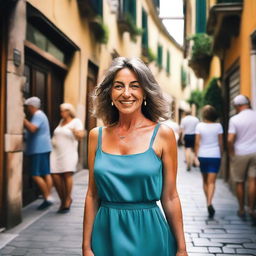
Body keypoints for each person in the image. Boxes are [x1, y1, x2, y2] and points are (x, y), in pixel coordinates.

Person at [82, 57, 187, 256]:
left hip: (150, 233)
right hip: (106, 233)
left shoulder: (163, 135)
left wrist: (181, 248)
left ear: (145, 92)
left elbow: (171, 196)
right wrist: (86, 246)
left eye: (135, 86)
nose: (126, 93)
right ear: (110, 94)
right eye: (119, 86)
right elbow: (92, 195)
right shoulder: (97, 135)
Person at [50, 103, 85, 213]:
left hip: (69, 152)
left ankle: (67, 199)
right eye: (61, 110)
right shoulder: (61, 122)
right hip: (56, 153)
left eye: (64, 110)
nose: (62, 113)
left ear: (69, 111)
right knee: (55, 175)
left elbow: (80, 136)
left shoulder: (76, 122)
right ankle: (63, 199)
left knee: (67, 175)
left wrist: (74, 131)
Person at [228, 94, 256, 221]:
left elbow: (230, 140)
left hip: (240, 153)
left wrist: (231, 153)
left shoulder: (235, 119)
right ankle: (251, 208)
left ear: (238, 106)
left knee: (239, 181)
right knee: (253, 181)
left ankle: (241, 209)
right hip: (255, 152)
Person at [24, 96, 53, 210]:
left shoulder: (38, 115)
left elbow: (32, 128)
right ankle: (48, 196)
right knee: (45, 173)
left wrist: (22, 119)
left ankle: (47, 198)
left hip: (38, 148)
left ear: (32, 107)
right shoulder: (41, 115)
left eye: (28, 107)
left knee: (36, 175)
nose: (27, 110)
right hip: (43, 148)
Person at [194, 105, 223, 218]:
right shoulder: (218, 126)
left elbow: (197, 143)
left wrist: (196, 156)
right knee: (212, 182)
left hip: (203, 155)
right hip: (215, 156)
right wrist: (221, 154)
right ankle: (210, 202)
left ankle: (208, 202)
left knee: (205, 181)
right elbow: (220, 143)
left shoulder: (199, 126)